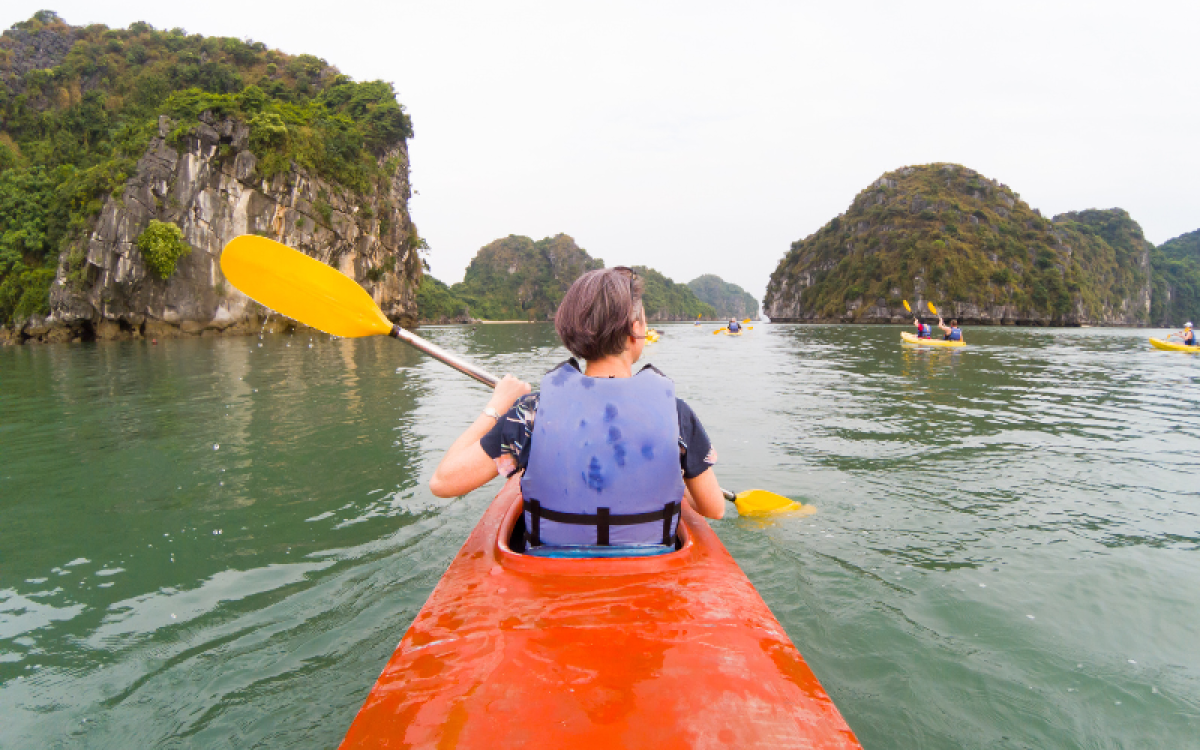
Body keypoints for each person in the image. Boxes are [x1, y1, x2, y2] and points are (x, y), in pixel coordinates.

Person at [429, 266, 725, 555]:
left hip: (549, 572)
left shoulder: (530, 413)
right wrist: (672, 479)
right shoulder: (676, 415)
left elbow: (443, 483)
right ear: (635, 329)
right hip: (651, 571)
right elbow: (714, 508)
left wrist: (497, 405)